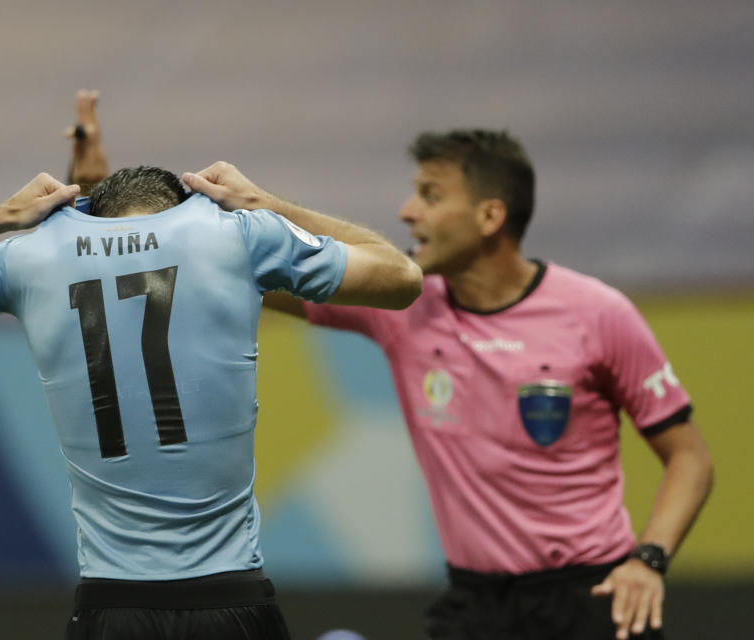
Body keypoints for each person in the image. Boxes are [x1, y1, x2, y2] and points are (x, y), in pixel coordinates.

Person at [0, 162, 422, 638]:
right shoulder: (241, 235)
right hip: (231, 600)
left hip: (111, 608)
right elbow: (400, 276)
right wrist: (262, 201)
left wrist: (0, 216)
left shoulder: (28, 256)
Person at [180, 130, 714, 640]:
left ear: (490, 215)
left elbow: (691, 459)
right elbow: (255, 275)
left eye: (430, 196)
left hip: (591, 597)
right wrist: (131, 222)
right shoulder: (403, 308)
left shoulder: (599, 314)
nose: (408, 212)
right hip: (474, 608)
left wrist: (649, 560)